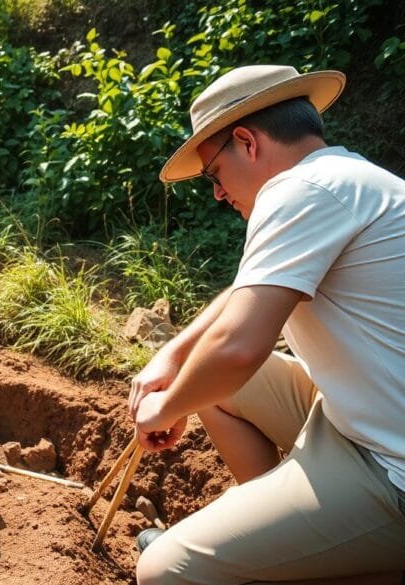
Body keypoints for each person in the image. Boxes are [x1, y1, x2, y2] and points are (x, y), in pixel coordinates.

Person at [129, 65, 405, 584]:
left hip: (391, 467)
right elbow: (245, 292)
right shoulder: (345, 178)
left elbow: (236, 350)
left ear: (246, 142)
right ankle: (279, 544)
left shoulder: (301, 191)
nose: (217, 193)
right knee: (204, 379)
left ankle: (284, 565)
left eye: (213, 174)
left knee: (164, 571)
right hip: (359, 417)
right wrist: (172, 357)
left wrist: (164, 407)